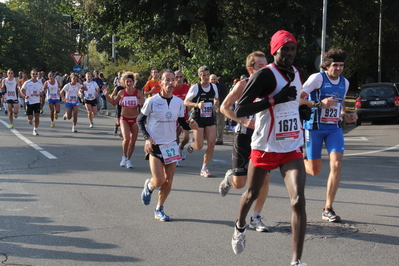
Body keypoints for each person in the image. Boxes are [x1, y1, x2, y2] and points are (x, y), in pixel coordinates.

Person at [233, 30, 307, 266]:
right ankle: (240, 226)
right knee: (251, 194)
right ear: (275, 51)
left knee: (298, 200)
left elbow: (294, 104)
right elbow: (241, 109)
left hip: (291, 146)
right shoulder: (264, 75)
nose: (289, 54)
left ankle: (296, 261)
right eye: (284, 49)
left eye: (293, 49)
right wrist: (275, 99)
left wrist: (302, 111)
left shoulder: (298, 73)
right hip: (265, 146)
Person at [300, 48, 357, 223]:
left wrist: (345, 116)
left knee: (337, 164)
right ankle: (301, 158)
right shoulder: (317, 78)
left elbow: (340, 105)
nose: (338, 69)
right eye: (335, 65)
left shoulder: (344, 82)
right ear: (326, 66)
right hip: (314, 128)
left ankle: (328, 207)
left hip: (333, 128)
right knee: (315, 171)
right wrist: (318, 103)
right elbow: (297, 98)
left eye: (341, 65)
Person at [219, 51, 271, 232]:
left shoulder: (271, 86)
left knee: (264, 179)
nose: (265, 69)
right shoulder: (243, 85)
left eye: (266, 65)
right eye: (260, 67)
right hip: (244, 135)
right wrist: (242, 120)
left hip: (263, 138)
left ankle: (256, 217)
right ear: (250, 69)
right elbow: (224, 108)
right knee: (240, 183)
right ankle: (229, 177)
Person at [138, 69, 198, 221]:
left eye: (173, 80)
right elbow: (140, 120)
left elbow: (182, 122)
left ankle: (159, 209)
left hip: (171, 145)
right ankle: (150, 186)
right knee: (159, 180)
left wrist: (190, 125)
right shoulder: (152, 101)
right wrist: (147, 138)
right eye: (168, 80)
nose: (171, 83)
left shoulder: (178, 102)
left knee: (169, 180)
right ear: (161, 83)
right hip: (155, 144)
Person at [184, 65, 219, 177]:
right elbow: (186, 102)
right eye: (203, 75)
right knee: (199, 146)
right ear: (199, 76)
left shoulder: (213, 87)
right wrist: (197, 105)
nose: (206, 77)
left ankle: (204, 168)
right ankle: (191, 143)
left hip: (209, 117)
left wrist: (215, 105)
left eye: (207, 75)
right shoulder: (195, 87)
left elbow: (216, 99)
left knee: (212, 143)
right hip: (197, 117)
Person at [103, 72, 144, 169]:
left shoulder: (138, 92)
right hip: (124, 118)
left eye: (130, 81)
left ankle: (129, 160)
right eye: (127, 82)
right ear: (124, 83)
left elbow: (143, 105)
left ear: (133, 82)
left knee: (133, 142)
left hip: (135, 119)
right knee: (126, 138)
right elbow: (113, 103)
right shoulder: (121, 92)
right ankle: (124, 157)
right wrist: (106, 95)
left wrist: (141, 102)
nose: (129, 83)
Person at [172, 70, 191, 162]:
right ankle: (176, 157)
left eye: (180, 77)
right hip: (174, 116)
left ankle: (181, 147)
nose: (178, 79)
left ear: (183, 78)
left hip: (185, 115)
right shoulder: (171, 88)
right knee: (175, 137)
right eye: (176, 77)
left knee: (186, 138)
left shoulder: (188, 88)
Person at [20, 69, 45, 135]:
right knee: (30, 117)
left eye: (36, 74)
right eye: (33, 74)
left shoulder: (40, 83)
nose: (34, 75)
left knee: (37, 116)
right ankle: (30, 119)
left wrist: (42, 93)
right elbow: (22, 90)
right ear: (31, 75)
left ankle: (35, 129)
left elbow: (42, 92)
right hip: (29, 101)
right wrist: (24, 95)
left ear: (37, 75)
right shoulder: (27, 83)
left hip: (37, 101)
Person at [210, 74, 227, 145]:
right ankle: (211, 137)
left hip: (219, 105)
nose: (213, 81)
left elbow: (225, 96)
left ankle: (219, 139)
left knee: (219, 122)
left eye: (214, 79)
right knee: (211, 123)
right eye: (212, 79)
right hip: (209, 106)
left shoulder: (221, 86)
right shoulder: (207, 87)